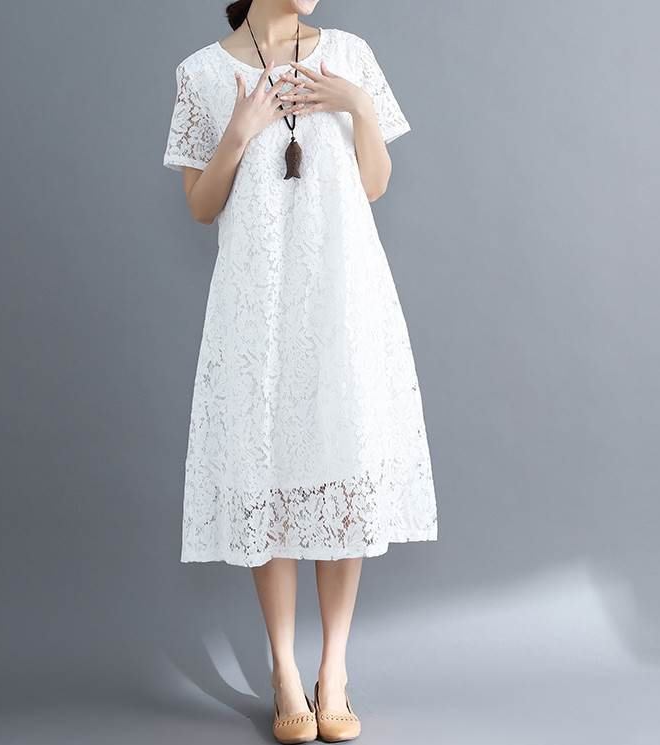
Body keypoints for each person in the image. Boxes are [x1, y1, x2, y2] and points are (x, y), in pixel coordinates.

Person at [162, 1, 438, 741]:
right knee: (268, 468)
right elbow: (200, 207)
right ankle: (285, 669)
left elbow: (374, 184)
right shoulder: (200, 72)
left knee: (343, 460)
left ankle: (333, 668)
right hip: (258, 299)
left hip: (342, 290)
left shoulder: (348, 53)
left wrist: (357, 106)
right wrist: (239, 130)